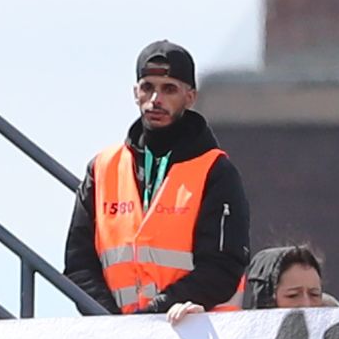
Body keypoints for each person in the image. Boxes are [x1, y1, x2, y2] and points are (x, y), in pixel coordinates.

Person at [64, 40, 250, 318]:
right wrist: (111, 323)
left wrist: (154, 314)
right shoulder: (102, 168)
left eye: (169, 89)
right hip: (115, 336)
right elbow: (79, 264)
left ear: (190, 97)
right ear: (135, 93)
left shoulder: (215, 171)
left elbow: (223, 265)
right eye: (147, 87)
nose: (156, 100)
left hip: (192, 334)